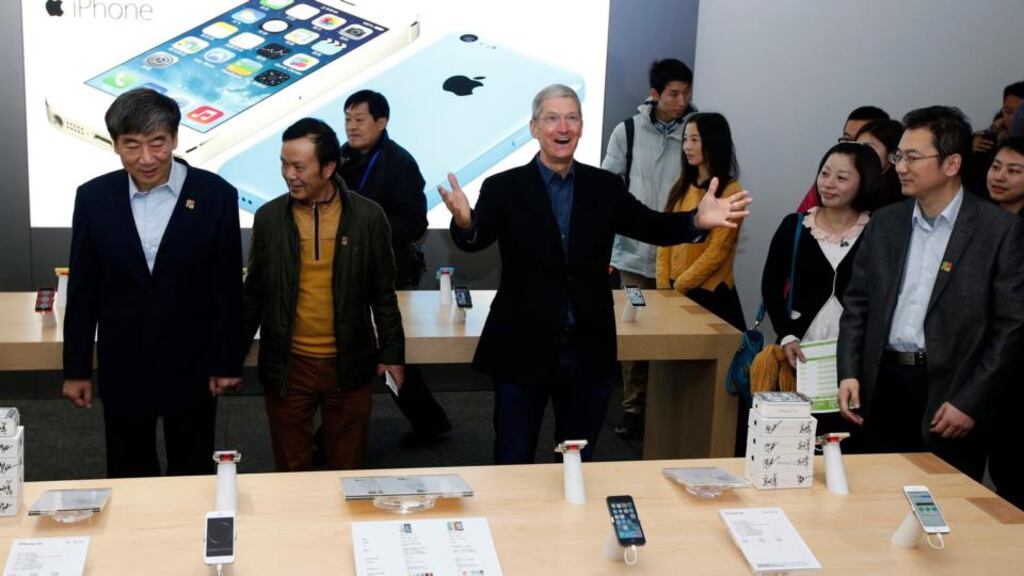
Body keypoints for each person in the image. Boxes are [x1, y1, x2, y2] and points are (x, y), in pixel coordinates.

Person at [437, 84, 751, 464]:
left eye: (571, 117)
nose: (562, 127)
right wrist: (466, 220)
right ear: (535, 128)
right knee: (512, 457)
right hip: (522, 345)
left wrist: (695, 222)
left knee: (578, 462)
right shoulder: (504, 187)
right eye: (551, 118)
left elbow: (648, 225)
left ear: (582, 127)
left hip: (587, 347)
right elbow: (476, 237)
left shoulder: (605, 186)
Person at [62, 88, 242, 478]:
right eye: (132, 146)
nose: (146, 159)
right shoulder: (93, 198)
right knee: (128, 470)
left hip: (192, 362)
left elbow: (227, 288)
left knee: (192, 468)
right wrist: (76, 369)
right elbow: (84, 290)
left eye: (157, 143)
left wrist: (226, 362)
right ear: (115, 146)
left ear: (175, 139)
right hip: (123, 362)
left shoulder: (216, 196)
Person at [837, 106, 1024, 481]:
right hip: (882, 384)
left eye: (913, 157)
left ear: (952, 164)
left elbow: (1011, 326)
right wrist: (849, 371)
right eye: (899, 156)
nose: (901, 166)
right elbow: (858, 303)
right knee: (874, 494)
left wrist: (970, 401)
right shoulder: (887, 222)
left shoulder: (998, 230)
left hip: (949, 396)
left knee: (942, 513)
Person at [241, 118, 405, 471]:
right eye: (284, 164)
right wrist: (228, 360)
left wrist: (392, 354)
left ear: (329, 167)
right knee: (290, 467)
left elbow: (383, 292)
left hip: (349, 364)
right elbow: (253, 294)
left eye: (299, 166)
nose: (289, 174)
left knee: (348, 467)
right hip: (289, 366)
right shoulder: (269, 218)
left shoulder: (367, 217)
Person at [335, 89, 451, 448]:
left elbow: (415, 221)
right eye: (348, 119)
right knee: (374, 350)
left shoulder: (399, 162)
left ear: (381, 123)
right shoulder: (339, 157)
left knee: (383, 349)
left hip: (386, 270)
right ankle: (430, 421)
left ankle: (335, 437)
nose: (352, 128)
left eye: (359, 120)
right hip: (343, 269)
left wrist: (369, 230)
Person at [600, 58, 696, 438]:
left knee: (676, 331)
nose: (682, 100)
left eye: (687, 92)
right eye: (674, 93)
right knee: (635, 330)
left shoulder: (695, 131)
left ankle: (669, 408)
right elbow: (608, 188)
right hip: (635, 258)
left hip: (678, 258)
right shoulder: (628, 131)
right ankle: (633, 407)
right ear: (655, 94)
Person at [763, 142, 880, 444]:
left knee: (847, 442)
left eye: (841, 177)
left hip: (854, 360)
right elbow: (771, 286)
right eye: (824, 173)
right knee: (793, 444)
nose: (828, 183)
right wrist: (786, 334)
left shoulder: (878, 231)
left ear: (863, 181)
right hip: (800, 356)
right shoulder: (796, 226)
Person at [656, 112, 745, 331]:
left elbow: (717, 252)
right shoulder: (681, 184)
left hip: (710, 296)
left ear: (713, 142)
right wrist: (663, 283)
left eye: (694, 140)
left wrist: (680, 286)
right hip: (674, 290)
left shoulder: (731, 190)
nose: (687, 146)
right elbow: (665, 233)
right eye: (685, 139)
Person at [985, 136, 1024, 510]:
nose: (1000, 177)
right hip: (982, 370)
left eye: (1014, 171)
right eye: (997, 166)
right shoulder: (980, 221)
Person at [797, 106, 889, 212]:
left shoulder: (900, 194)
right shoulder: (826, 185)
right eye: (847, 140)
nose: (852, 150)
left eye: (865, 145)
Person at [966, 81, 1024, 194]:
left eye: (1020, 114)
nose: (1013, 118)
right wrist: (968, 148)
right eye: (1008, 111)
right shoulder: (988, 139)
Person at [854, 119, 905, 207]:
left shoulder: (904, 196)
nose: (859, 153)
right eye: (856, 147)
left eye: (868, 147)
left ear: (893, 155)